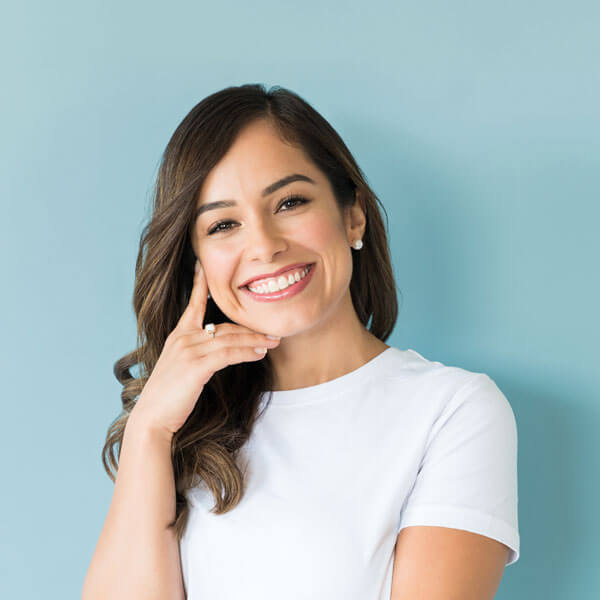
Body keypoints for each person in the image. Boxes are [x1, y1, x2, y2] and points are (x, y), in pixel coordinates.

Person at [82, 84, 520, 600]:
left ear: (352, 214)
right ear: (197, 261)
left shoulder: (453, 411)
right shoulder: (182, 426)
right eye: (224, 224)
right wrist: (149, 428)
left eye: (290, 202)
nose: (265, 246)